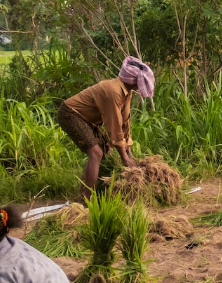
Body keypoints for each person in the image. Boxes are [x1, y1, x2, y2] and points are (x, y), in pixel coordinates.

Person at [57, 56, 154, 198]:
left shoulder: (127, 93)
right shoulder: (113, 92)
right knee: (96, 153)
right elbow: (114, 126)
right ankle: (87, 200)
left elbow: (125, 122)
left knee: (105, 150)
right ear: (133, 81)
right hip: (70, 114)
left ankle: (90, 191)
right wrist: (125, 159)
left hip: (86, 119)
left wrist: (129, 151)